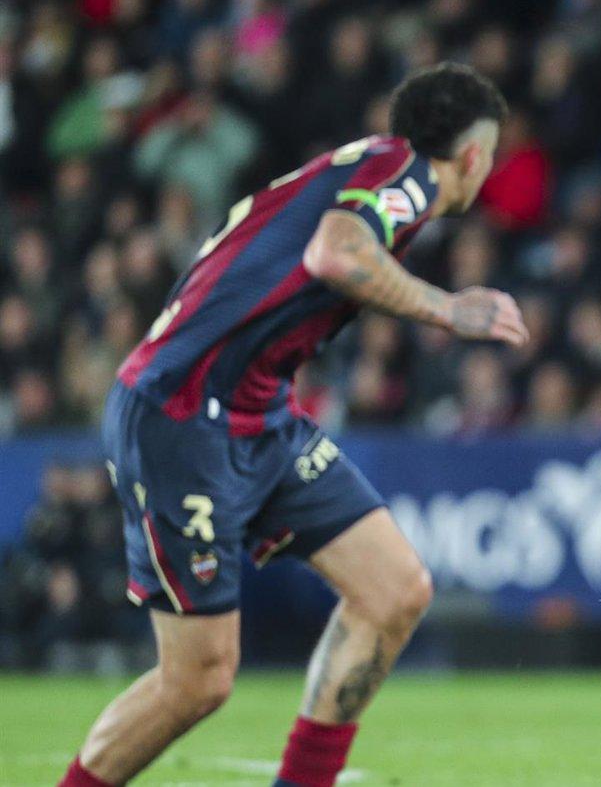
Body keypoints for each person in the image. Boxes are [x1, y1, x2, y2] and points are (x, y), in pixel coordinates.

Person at [59, 63, 527, 787]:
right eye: (490, 152)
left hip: (258, 412)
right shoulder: (408, 175)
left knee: (395, 589)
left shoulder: (368, 165)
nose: (487, 168)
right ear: (471, 152)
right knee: (199, 682)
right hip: (183, 415)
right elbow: (334, 254)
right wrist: (449, 307)